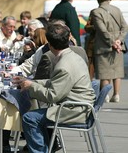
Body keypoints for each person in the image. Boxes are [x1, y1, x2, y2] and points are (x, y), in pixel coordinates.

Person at [13, 23, 95, 153]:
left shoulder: (64, 65)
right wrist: (30, 82)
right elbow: (56, 82)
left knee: (29, 118)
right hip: (81, 105)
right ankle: (46, 149)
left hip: (74, 109)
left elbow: (53, 96)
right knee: (34, 116)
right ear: (68, 40)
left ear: (49, 44)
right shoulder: (73, 56)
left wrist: (31, 86)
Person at [90, 0, 128, 103]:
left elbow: (103, 31)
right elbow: (125, 27)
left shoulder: (96, 12)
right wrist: (119, 41)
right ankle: (116, 95)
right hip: (118, 47)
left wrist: (113, 42)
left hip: (103, 46)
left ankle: (105, 95)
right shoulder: (117, 10)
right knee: (117, 72)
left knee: (104, 72)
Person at [84, 12, 96, 80]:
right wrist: (94, 27)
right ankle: (90, 82)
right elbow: (87, 27)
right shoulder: (93, 12)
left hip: (104, 43)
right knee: (91, 63)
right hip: (93, 43)